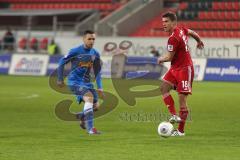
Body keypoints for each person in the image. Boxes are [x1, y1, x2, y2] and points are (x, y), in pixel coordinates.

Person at [158, 12, 204, 136]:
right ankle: (174, 115)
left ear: (173, 22)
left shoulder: (173, 38)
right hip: (175, 68)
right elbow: (192, 32)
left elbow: (169, 57)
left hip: (185, 69)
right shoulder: (181, 29)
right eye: (163, 22)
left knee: (182, 99)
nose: (164, 24)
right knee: (163, 88)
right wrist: (199, 41)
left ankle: (180, 131)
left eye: (166, 22)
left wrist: (160, 59)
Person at [57, 30, 104, 135]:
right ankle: (91, 129)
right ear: (84, 39)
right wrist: (60, 79)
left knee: (96, 106)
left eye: (93, 39)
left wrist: (100, 87)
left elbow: (97, 71)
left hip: (87, 83)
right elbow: (61, 61)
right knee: (89, 98)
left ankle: (82, 116)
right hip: (75, 82)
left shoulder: (95, 53)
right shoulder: (75, 51)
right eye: (89, 39)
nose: (91, 41)